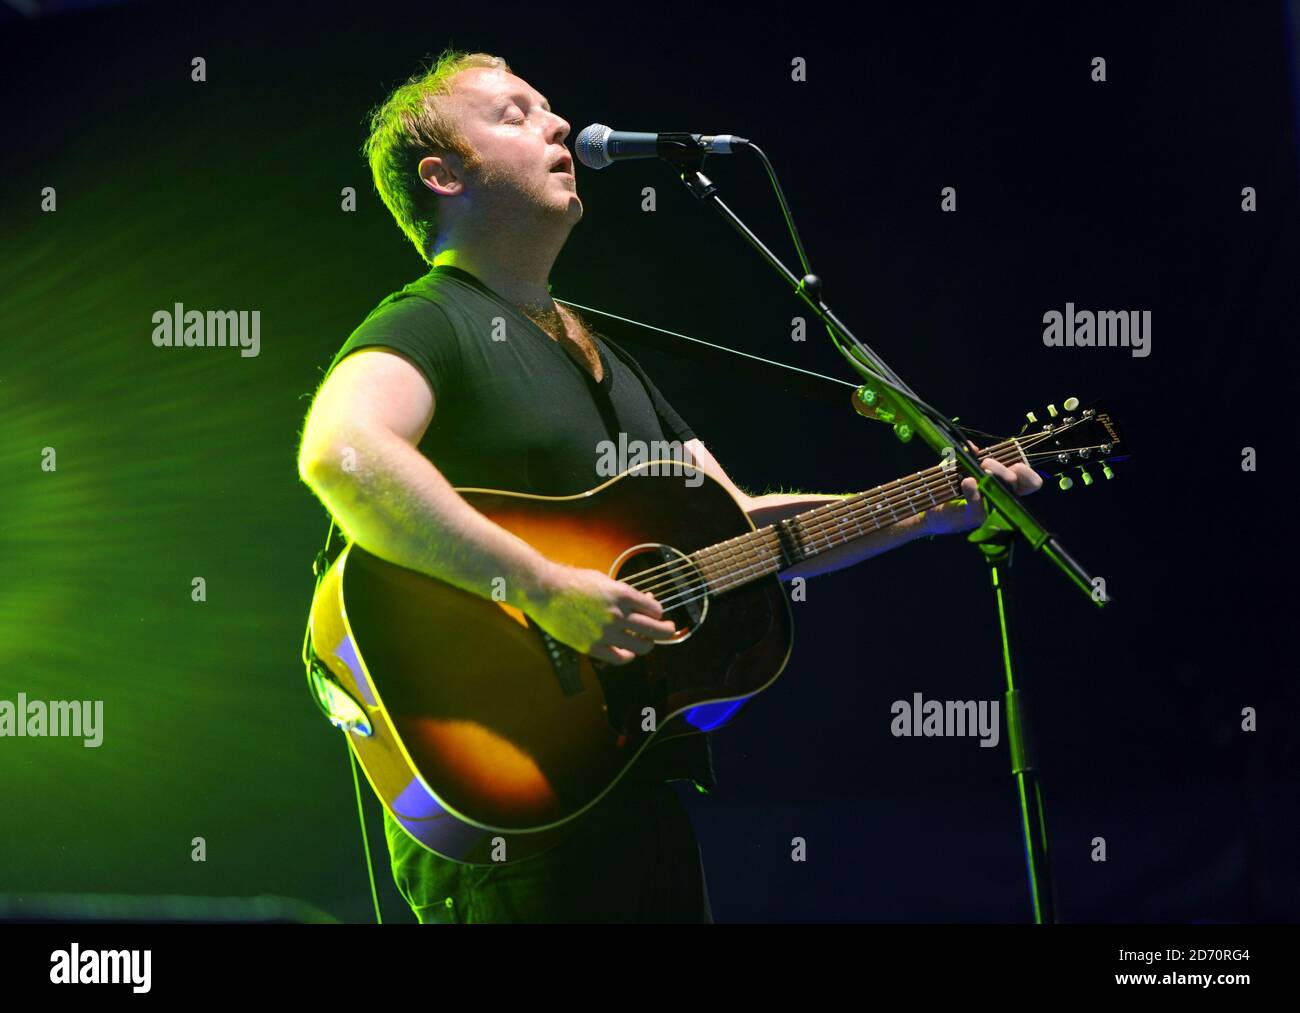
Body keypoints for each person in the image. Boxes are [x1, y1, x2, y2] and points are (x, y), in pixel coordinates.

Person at [296, 49, 1042, 923]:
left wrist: (931, 506)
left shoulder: (605, 354)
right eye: (514, 113)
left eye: (548, 107)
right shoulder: (428, 320)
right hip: (509, 797)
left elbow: (742, 530)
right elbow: (340, 455)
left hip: (627, 782)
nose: (559, 124)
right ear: (444, 174)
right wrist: (546, 589)